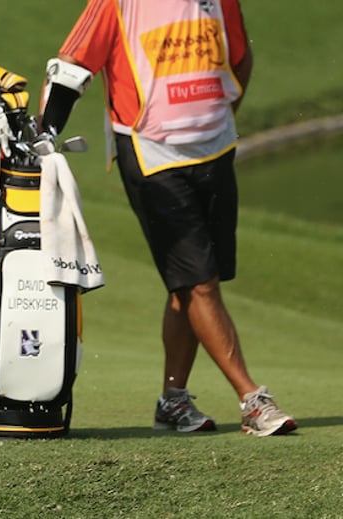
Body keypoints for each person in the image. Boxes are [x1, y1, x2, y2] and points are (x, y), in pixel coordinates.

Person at [44, 0, 295, 436]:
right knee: (201, 283)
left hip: (215, 148)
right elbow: (71, 67)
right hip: (151, 155)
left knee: (188, 287)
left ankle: (172, 401)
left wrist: (221, 118)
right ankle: (252, 400)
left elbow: (239, 57)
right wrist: (46, 133)